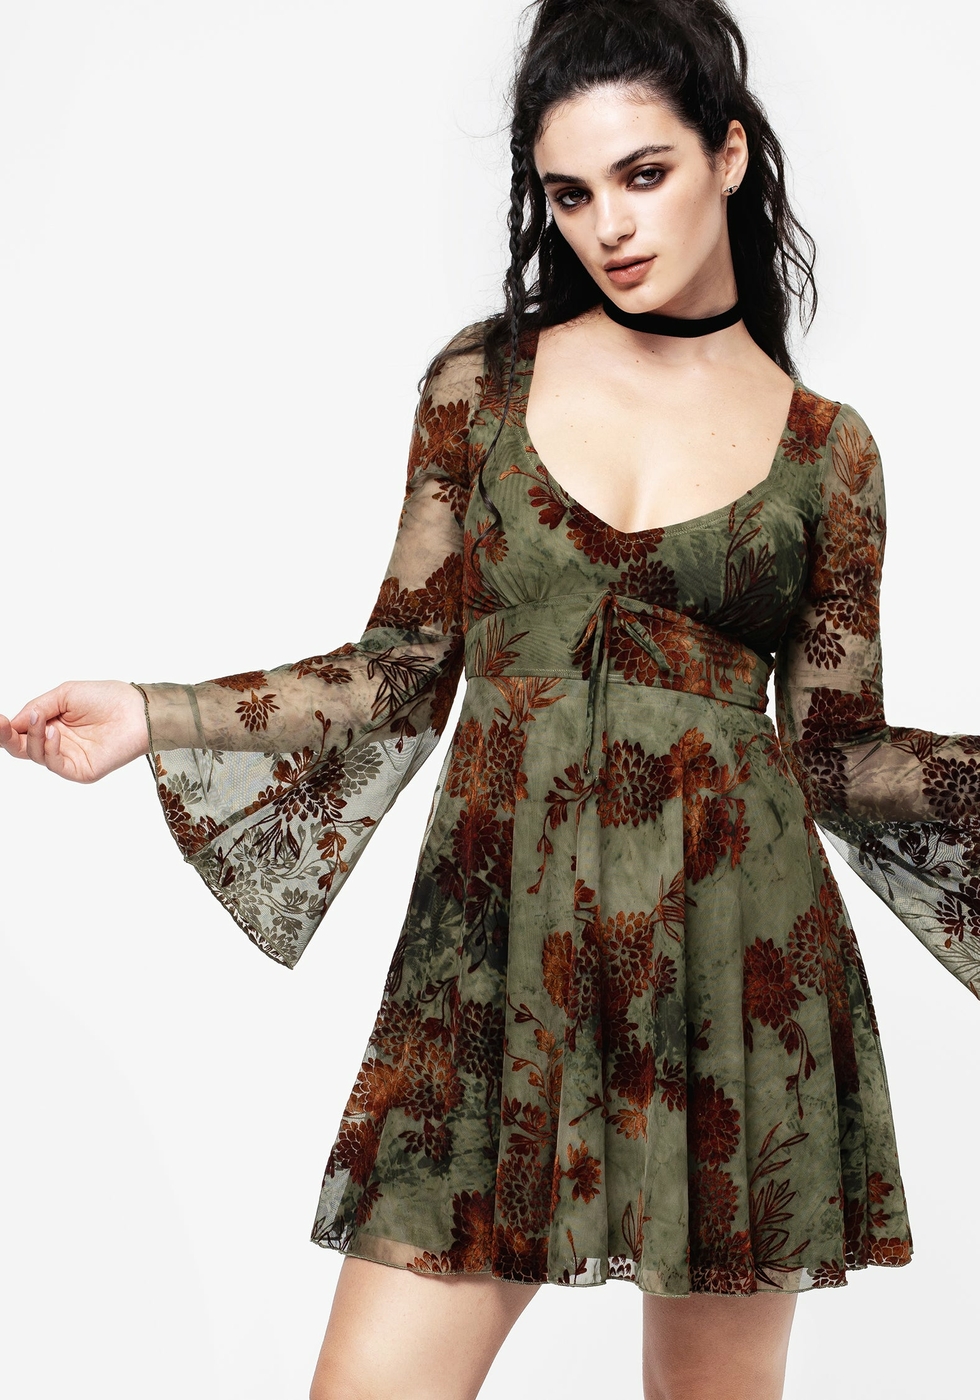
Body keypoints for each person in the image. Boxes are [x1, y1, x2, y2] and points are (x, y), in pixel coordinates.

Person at [3, 1, 978, 1397]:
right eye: (570, 194)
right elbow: (402, 667)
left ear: (729, 157)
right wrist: (156, 712)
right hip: (494, 961)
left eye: (643, 174)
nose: (610, 226)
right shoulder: (485, 382)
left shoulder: (832, 456)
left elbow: (839, 756)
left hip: (734, 972)